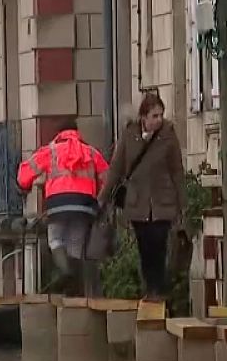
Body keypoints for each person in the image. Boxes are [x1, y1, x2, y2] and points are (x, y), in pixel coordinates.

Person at [99, 93, 186, 302]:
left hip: (161, 201)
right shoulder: (129, 135)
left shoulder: (168, 135)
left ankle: (158, 291)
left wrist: (182, 203)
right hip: (138, 203)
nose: (158, 120)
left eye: (161, 115)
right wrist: (102, 197)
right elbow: (116, 168)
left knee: (159, 244)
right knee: (144, 247)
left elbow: (177, 170)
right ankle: (150, 290)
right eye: (154, 115)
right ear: (143, 117)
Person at [18, 118, 109, 296]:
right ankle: (73, 289)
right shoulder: (90, 152)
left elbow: (26, 172)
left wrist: (24, 186)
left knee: (55, 240)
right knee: (75, 245)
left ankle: (66, 273)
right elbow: (108, 176)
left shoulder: (51, 150)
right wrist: (100, 201)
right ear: (77, 132)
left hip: (57, 204)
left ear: (60, 133)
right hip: (84, 205)